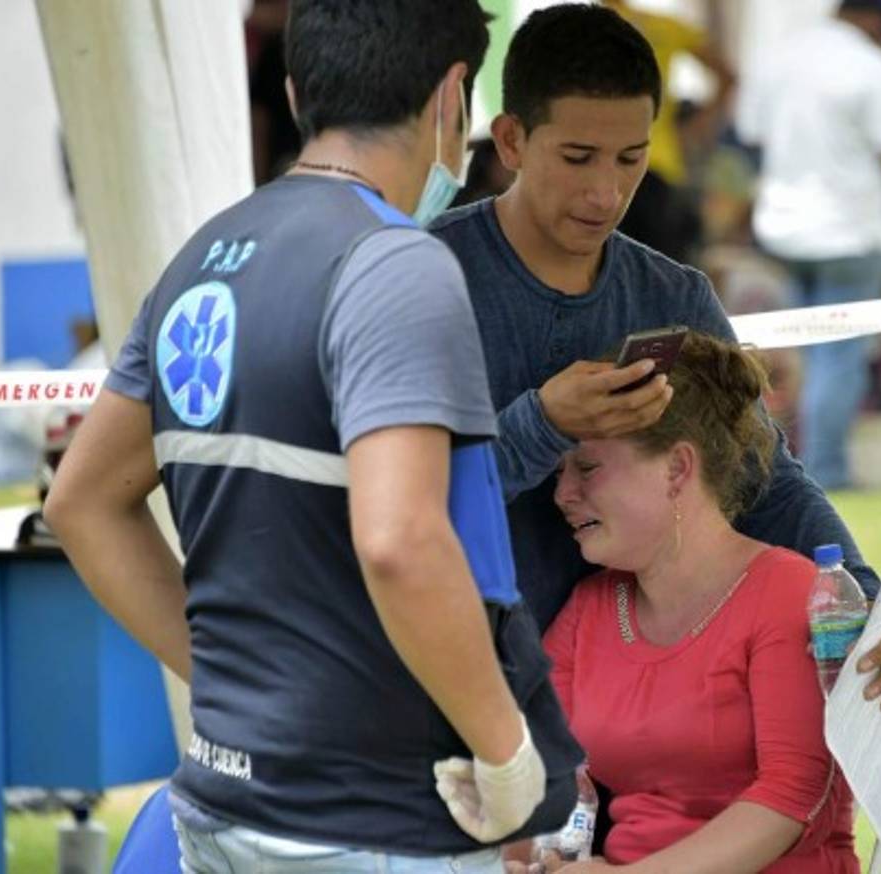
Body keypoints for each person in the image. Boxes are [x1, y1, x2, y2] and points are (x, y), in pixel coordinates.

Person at [43, 2, 580, 871]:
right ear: (455, 100)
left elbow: (80, 503)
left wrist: (227, 682)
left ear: (296, 93)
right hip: (375, 819)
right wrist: (508, 752)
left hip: (226, 806)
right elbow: (402, 539)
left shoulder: (204, 255)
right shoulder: (398, 262)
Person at [430, 2, 881, 705]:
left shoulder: (672, 295)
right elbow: (399, 503)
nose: (607, 191)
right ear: (509, 140)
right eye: (577, 157)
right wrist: (543, 423)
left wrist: (859, 595)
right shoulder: (426, 275)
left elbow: (762, 475)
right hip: (456, 689)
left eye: (631, 157)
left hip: (633, 704)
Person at [542, 331, 858, 873]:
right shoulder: (591, 609)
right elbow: (540, 768)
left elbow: (791, 797)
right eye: (560, 470)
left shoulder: (788, 592)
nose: (562, 493)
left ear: (677, 469)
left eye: (587, 468)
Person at [741, 0, 881, 489]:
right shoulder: (871, 65)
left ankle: (781, 469)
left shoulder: (778, 57)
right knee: (838, 359)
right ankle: (825, 474)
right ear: (873, 18)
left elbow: (750, 134)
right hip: (854, 230)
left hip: (783, 227)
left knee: (800, 357)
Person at [600, 0, 734, 263]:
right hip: (658, 162)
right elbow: (728, 75)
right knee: (657, 270)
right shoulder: (663, 26)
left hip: (605, 164)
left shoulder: (581, 27)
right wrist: (697, 128)